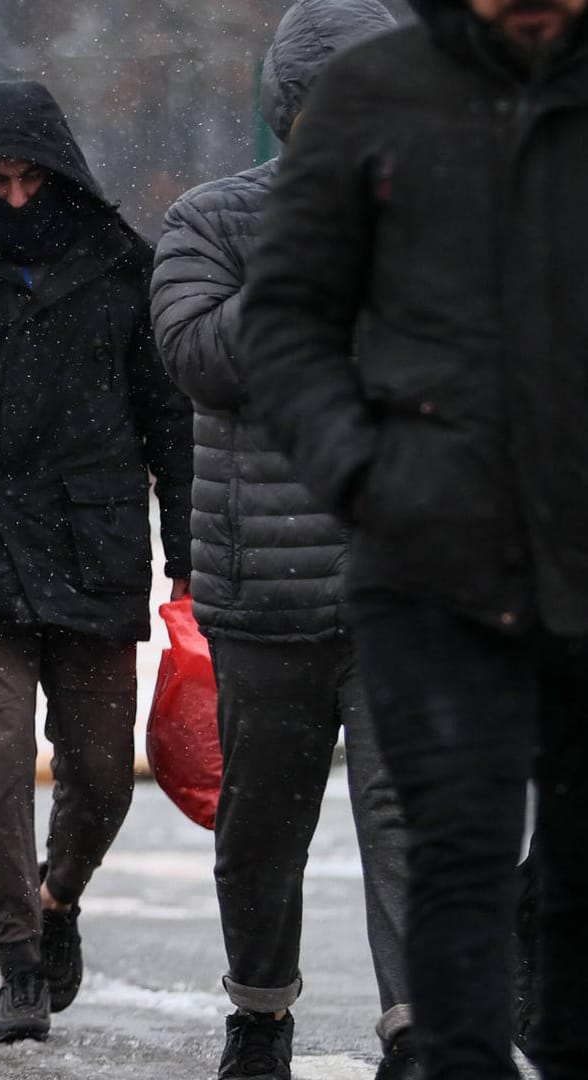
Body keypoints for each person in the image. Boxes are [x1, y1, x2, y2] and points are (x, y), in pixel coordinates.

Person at [239, 1, 588, 1077]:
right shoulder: (374, 96)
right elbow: (286, 317)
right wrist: (363, 471)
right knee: (457, 861)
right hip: (429, 562)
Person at [151, 4, 415, 1078]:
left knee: (411, 824)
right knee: (262, 835)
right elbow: (194, 353)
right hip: (264, 598)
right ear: (295, 112)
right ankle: (259, 1013)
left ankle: (415, 1028)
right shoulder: (213, 221)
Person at [0, 81, 193, 1043]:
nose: (18, 197)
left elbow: (172, 424)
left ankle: (60, 895)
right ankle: (19, 959)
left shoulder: (124, 270)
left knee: (101, 776)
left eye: (32, 176)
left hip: (96, 541)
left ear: (62, 170)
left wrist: (190, 559)